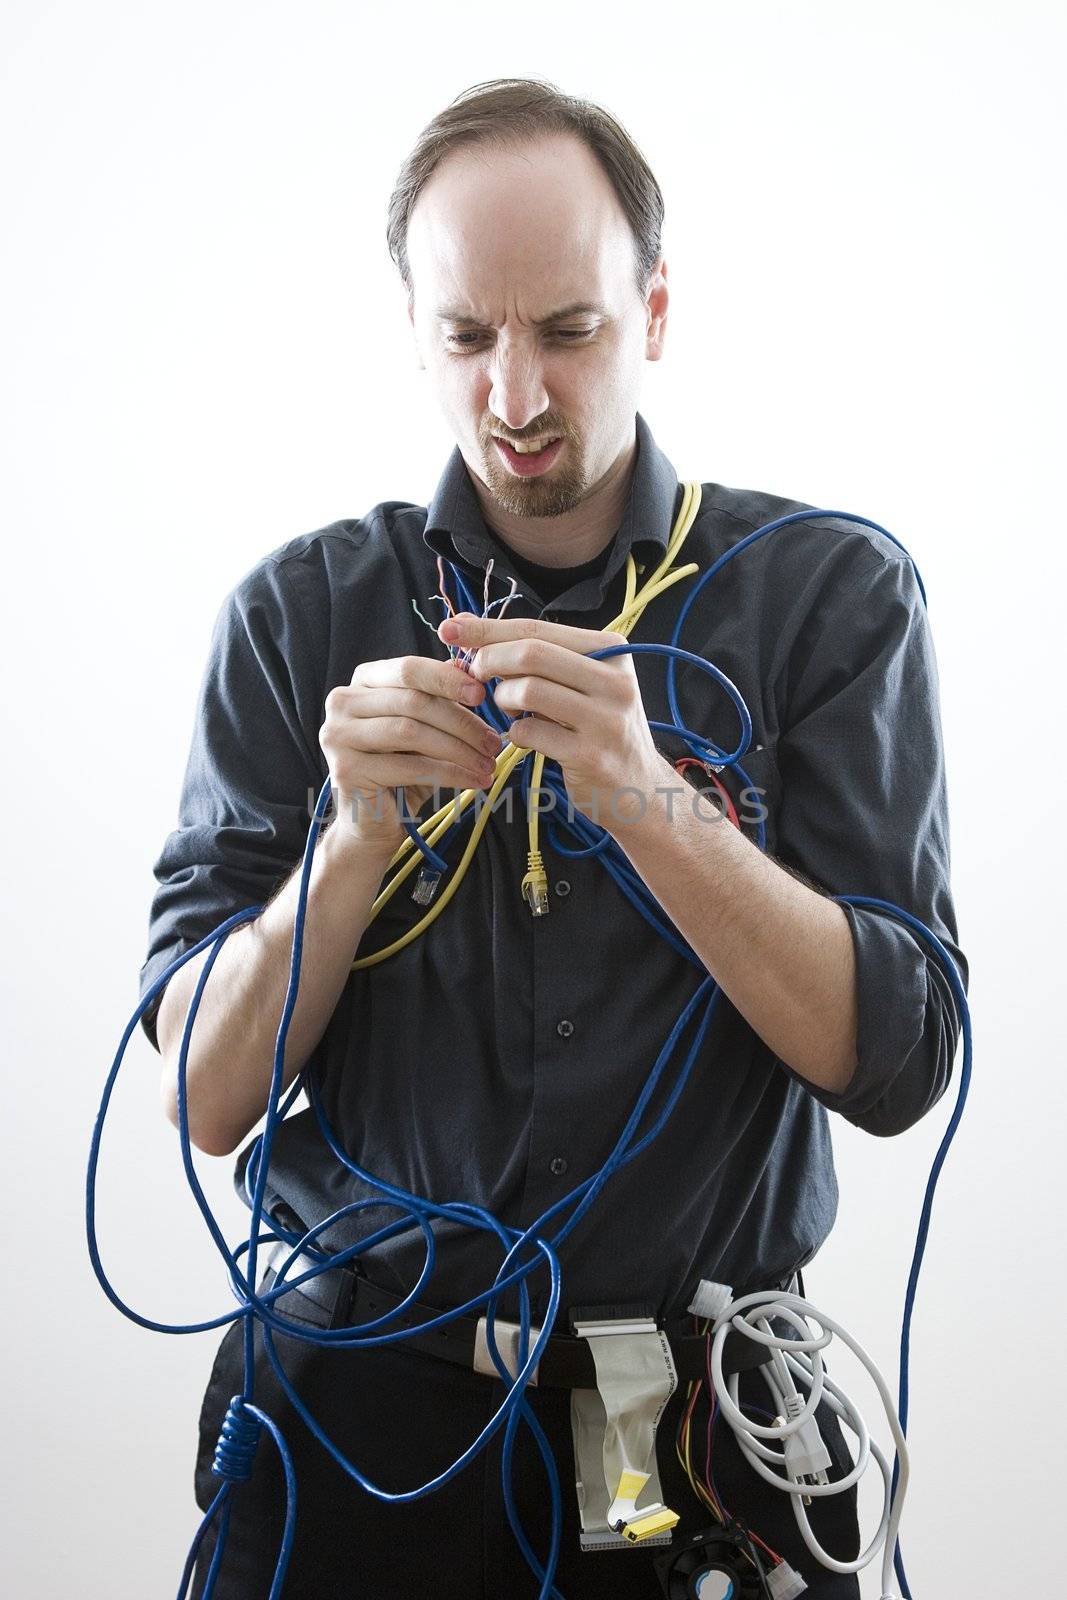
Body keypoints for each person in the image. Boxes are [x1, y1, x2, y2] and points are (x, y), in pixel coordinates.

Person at [139, 79, 966, 1599]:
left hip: (703, 1431)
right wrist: (354, 844)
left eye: (568, 331)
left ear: (653, 312)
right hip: (353, 1425)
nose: (516, 397)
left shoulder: (828, 599)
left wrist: (651, 802)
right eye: (468, 338)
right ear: (415, 330)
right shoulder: (296, 617)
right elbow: (203, 1094)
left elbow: (902, 1065)